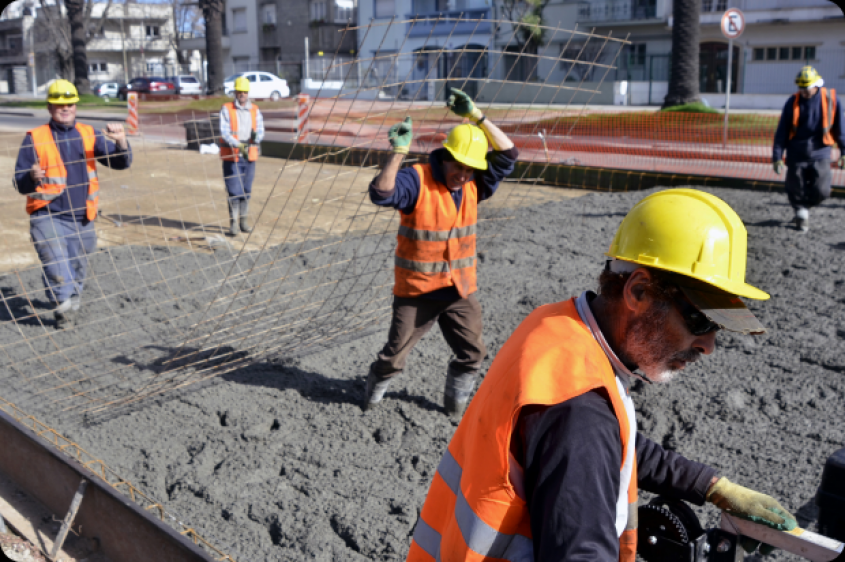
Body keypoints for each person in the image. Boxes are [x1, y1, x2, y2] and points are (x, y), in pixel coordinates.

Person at [406, 189, 798, 561]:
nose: (708, 345)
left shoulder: (555, 325)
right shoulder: (579, 413)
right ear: (638, 292)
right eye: (699, 320)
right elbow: (587, 441)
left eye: (718, 327)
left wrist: (710, 486)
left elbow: (612, 442)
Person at [364, 88, 518, 416]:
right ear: (445, 157)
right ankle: (371, 396)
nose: (463, 175)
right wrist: (399, 152)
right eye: (458, 166)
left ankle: (454, 407)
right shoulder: (417, 180)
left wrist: (477, 116)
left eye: (470, 169)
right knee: (393, 357)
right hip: (417, 292)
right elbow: (381, 194)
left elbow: (508, 154)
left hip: (458, 289)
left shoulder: (475, 183)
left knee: (473, 353)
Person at [13, 79, 132, 329]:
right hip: (47, 215)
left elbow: (121, 163)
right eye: (59, 105)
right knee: (57, 265)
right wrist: (31, 177)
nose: (65, 108)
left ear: (75, 106)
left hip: (82, 216)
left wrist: (121, 141)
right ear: (49, 108)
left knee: (77, 268)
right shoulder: (35, 138)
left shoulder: (89, 133)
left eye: (69, 104)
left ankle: (69, 302)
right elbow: (19, 182)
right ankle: (63, 309)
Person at [772, 65, 845, 232]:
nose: (804, 91)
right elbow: (782, 131)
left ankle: (804, 206)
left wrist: (844, 152)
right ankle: (801, 213)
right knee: (795, 186)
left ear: (817, 85)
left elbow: (841, 128)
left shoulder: (832, 99)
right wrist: (777, 157)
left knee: (822, 190)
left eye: (807, 88)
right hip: (796, 152)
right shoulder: (792, 102)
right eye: (801, 88)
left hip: (821, 151)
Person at [219, 76, 264, 236]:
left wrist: (256, 138)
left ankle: (243, 222)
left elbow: (260, 130)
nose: (242, 94)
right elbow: (224, 132)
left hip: (249, 154)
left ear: (248, 92)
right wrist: (238, 144)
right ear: (235, 92)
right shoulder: (227, 109)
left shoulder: (255, 110)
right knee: (234, 190)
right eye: (239, 91)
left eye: (244, 92)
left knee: (246, 189)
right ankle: (233, 224)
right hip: (233, 154)